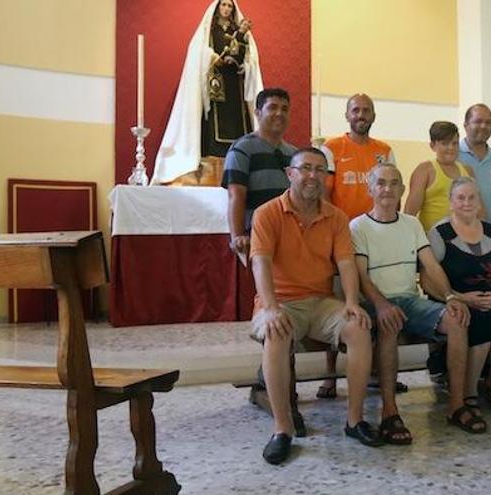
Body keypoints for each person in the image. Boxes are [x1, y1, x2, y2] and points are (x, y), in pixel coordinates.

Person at [250, 148, 378, 465]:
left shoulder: (335, 217)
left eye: (320, 170)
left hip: (321, 302)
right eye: (305, 168)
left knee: (359, 328)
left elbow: (346, 264)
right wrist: (270, 307)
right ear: (290, 173)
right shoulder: (267, 213)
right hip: (279, 302)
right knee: (276, 333)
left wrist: (350, 302)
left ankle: (354, 420)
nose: (313, 175)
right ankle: (282, 429)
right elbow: (260, 263)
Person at [351, 163, 483, 439]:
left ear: (402, 189)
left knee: (457, 320)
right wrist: (383, 305)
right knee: (390, 323)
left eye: (394, 183)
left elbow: (431, 265)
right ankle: (389, 412)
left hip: (410, 300)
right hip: (377, 303)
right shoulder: (358, 227)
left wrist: (449, 296)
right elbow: (361, 277)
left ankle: (456, 405)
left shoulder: (411, 224)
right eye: (381, 183)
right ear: (370, 188)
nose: (388, 189)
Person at [315, 93, 400, 400]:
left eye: (366, 110)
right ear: (347, 114)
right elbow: (323, 195)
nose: (361, 114)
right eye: (356, 110)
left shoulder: (384, 150)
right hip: (340, 239)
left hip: (374, 237)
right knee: (338, 304)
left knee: (372, 302)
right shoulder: (332, 148)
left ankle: (376, 371)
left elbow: (394, 193)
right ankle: (330, 376)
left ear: (373, 115)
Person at [428, 177, 491, 414]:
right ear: (451, 202)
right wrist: (459, 297)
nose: (466, 202)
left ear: (479, 202)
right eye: (460, 197)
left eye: (472, 197)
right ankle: (468, 390)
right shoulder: (439, 233)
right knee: (481, 322)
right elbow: (427, 280)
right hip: (457, 302)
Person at [153, 0, 263, 185]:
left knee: (238, 121)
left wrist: (243, 62)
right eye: (224, 5)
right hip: (216, 84)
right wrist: (212, 57)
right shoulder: (209, 31)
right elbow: (198, 51)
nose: (226, 9)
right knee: (216, 122)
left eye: (230, 6)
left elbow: (249, 56)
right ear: (217, 7)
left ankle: (239, 158)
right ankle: (213, 166)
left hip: (235, 85)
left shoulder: (239, 32)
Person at [222, 87, 295, 266]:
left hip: (289, 237)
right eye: (272, 107)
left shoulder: (294, 153)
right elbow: (236, 195)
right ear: (257, 113)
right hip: (256, 237)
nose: (279, 113)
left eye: (284, 109)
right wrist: (238, 237)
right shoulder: (242, 149)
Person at [405, 121, 479, 231]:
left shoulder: (468, 171)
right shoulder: (425, 170)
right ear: (433, 146)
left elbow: (479, 209)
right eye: (445, 143)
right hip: (431, 240)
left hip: (463, 239)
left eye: (455, 143)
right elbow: (409, 213)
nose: (451, 148)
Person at [458, 104, 491, 226]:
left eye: (488, 122)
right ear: (466, 125)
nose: (483, 126)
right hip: (457, 234)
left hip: (490, 233)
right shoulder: (453, 155)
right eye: (478, 121)